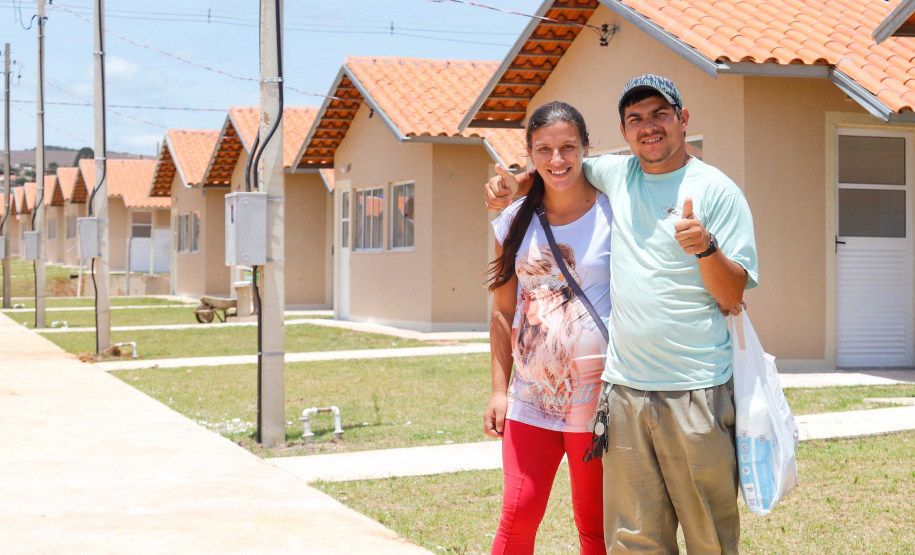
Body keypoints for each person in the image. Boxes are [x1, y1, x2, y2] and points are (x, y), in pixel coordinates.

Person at [485, 75, 758, 554]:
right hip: (615, 393)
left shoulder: (706, 191)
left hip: (673, 389)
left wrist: (706, 248)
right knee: (630, 536)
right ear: (623, 131)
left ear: (683, 119)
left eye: (660, 114)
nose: (648, 126)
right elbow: (557, 169)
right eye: (636, 118)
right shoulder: (612, 178)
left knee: (695, 532)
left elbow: (732, 294)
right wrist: (515, 182)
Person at [486, 101, 609, 555]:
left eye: (568, 147)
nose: (557, 159)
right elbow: (502, 310)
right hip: (530, 397)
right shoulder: (513, 220)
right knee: (518, 515)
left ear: (586, 149)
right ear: (530, 154)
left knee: (594, 524)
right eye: (544, 149)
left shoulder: (613, 213)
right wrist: (499, 390)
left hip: (595, 400)